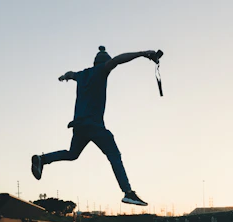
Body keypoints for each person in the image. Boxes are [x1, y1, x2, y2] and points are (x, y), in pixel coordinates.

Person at [31, 46, 160, 207]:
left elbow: (71, 74)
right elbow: (118, 60)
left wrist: (64, 76)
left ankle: (43, 159)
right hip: (94, 125)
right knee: (114, 155)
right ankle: (128, 192)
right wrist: (143, 54)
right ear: (104, 63)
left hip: (79, 126)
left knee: (72, 154)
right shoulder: (101, 71)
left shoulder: (82, 74)